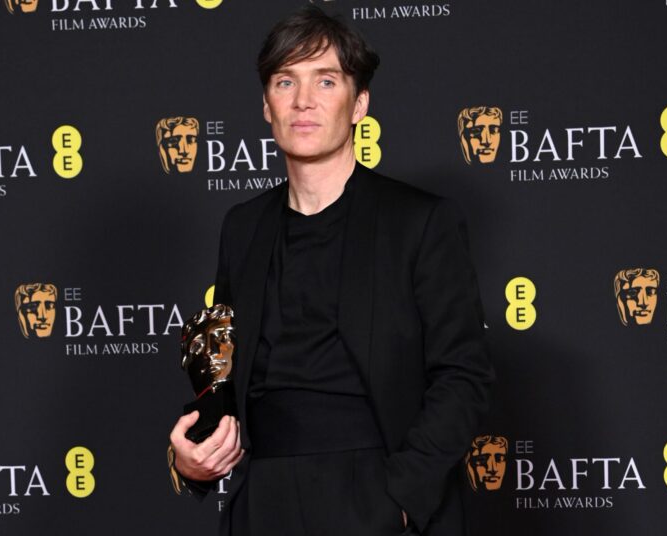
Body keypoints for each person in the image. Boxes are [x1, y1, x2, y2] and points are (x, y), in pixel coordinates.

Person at [169, 7, 493, 535]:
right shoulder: (243, 227)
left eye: (326, 80)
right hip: (265, 496)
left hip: (375, 489)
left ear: (358, 103)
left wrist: (402, 497)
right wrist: (191, 459)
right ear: (267, 106)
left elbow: (464, 375)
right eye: (285, 81)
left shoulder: (420, 221)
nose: (303, 100)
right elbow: (223, 374)